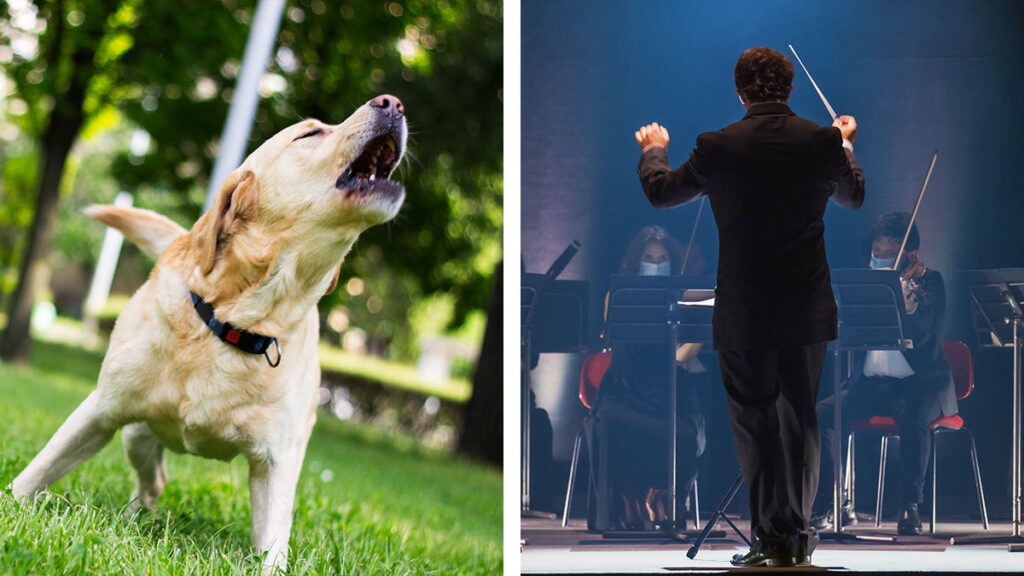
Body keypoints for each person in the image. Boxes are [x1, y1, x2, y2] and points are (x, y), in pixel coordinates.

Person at [634, 47, 864, 566]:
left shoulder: (719, 145)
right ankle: (795, 539)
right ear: (789, 90)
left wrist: (654, 149)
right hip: (806, 307)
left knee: (755, 424)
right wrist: (845, 145)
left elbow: (661, 192)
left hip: (744, 311)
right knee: (801, 422)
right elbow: (854, 197)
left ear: (739, 93)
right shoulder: (821, 140)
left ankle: (769, 539)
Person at [812, 212, 957, 535]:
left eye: (888, 254)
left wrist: (906, 304)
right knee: (822, 414)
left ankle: (909, 507)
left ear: (911, 254)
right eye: (876, 253)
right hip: (870, 385)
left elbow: (922, 334)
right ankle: (831, 501)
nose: (879, 260)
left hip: (919, 384)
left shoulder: (929, 282)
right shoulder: (865, 285)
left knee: (914, 420)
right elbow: (843, 331)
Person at [588, 226, 707, 532]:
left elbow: (687, 354)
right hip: (624, 388)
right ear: (636, 260)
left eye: (663, 257)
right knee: (611, 419)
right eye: (649, 257)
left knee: (684, 432)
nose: (656, 263)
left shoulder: (682, 296)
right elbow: (617, 343)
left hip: (667, 390)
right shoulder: (618, 295)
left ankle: (665, 499)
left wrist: (711, 306)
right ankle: (624, 502)